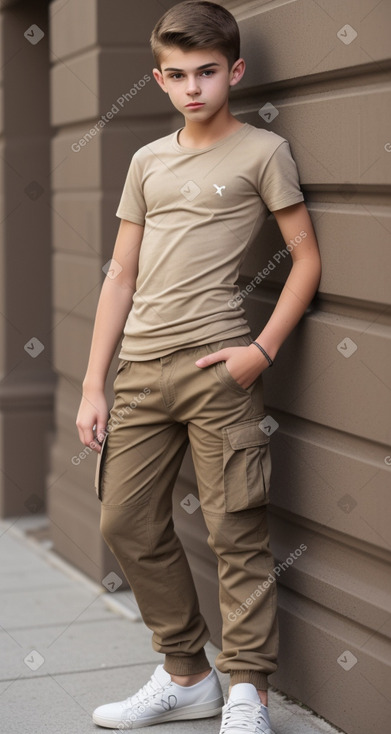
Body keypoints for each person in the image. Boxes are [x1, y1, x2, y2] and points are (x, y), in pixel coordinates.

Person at [76, 1, 321, 731]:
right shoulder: (146, 161)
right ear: (158, 78)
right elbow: (119, 275)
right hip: (140, 372)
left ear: (233, 71)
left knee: (235, 530)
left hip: (219, 367)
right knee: (125, 523)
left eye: (207, 73)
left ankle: (247, 689)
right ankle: (186, 671)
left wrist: (260, 350)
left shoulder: (260, 152)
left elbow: (304, 255)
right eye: (177, 75)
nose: (193, 88)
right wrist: (94, 383)